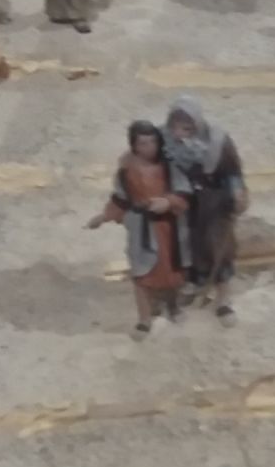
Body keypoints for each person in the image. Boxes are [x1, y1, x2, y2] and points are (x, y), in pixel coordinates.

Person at [88, 122, 191, 338]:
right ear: (134, 145)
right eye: (143, 143)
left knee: (170, 270)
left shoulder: (169, 167)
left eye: (153, 142)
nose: (149, 147)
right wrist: (104, 217)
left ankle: (173, 307)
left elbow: (184, 193)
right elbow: (120, 200)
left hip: (168, 227)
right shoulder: (126, 172)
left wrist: (169, 201)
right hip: (141, 228)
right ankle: (144, 319)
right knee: (141, 273)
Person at [164, 96, 247, 326]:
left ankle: (223, 300)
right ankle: (195, 284)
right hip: (185, 203)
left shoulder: (217, 140)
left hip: (214, 202)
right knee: (186, 246)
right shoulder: (166, 141)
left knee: (218, 246)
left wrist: (237, 192)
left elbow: (232, 171)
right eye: (176, 127)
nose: (180, 133)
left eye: (186, 128)